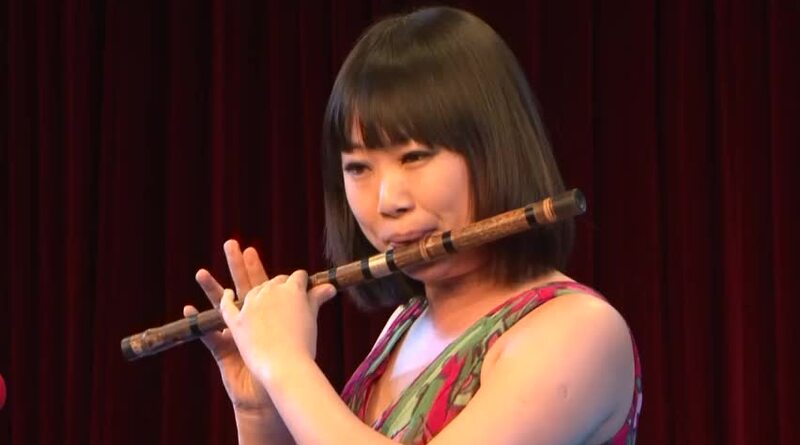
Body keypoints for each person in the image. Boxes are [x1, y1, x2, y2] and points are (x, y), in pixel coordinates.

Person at [183, 6, 642, 445]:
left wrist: (286, 363)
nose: (388, 201)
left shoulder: (580, 331)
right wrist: (260, 407)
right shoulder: (404, 324)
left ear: (494, 150)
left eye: (415, 157)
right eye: (359, 168)